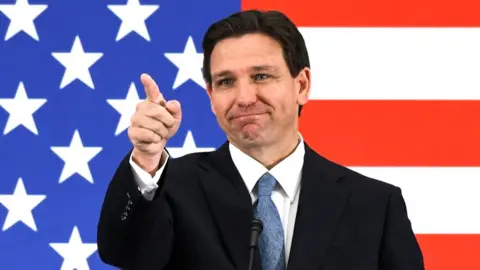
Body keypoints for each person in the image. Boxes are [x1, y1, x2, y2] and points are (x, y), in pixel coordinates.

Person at [96, 9, 424, 270]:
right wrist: (147, 157)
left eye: (261, 76)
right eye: (225, 82)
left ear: (302, 85)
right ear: (211, 97)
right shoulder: (169, 187)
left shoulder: (375, 205)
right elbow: (123, 253)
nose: (243, 97)